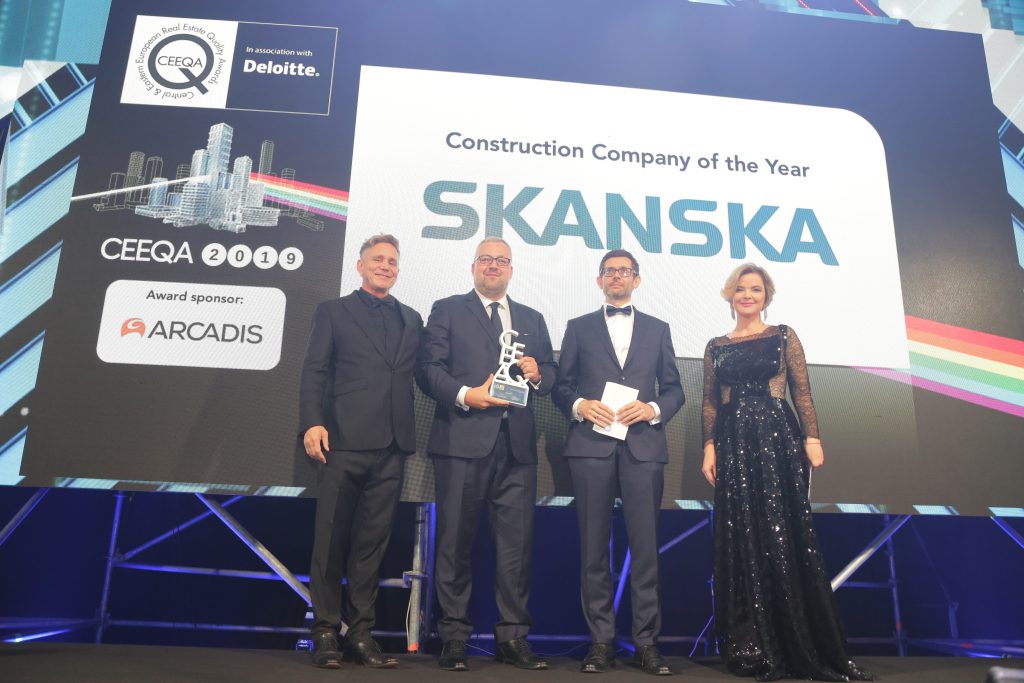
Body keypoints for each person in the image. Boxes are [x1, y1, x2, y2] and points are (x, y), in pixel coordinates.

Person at [701, 263, 875, 682]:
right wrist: (709, 446)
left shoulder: (783, 335)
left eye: (755, 289)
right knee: (743, 534)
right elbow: (710, 401)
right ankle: (755, 645)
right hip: (733, 442)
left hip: (777, 437)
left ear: (766, 296)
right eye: (741, 289)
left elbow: (802, 391)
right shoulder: (715, 346)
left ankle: (799, 641)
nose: (747, 295)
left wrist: (812, 437)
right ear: (730, 295)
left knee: (783, 533)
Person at [417, 236, 557, 671]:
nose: (493, 266)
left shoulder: (532, 318)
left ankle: (512, 638)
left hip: (516, 449)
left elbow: (551, 374)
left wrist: (539, 373)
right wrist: (466, 395)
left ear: (511, 269)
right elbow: (428, 369)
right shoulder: (447, 309)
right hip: (461, 442)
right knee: (454, 543)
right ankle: (454, 638)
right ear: (474, 266)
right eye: (486, 259)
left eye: (501, 260)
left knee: (516, 550)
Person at [552, 249, 684, 676]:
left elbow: (675, 390)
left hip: (643, 448)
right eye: (609, 271)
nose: (616, 277)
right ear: (599, 281)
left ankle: (646, 644)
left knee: (645, 551)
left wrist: (652, 409)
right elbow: (561, 386)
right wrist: (579, 406)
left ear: (636, 280)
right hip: (591, 448)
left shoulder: (659, 329)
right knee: (593, 550)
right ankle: (601, 643)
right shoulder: (578, 327)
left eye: (624, 271)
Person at [298, 234, 423, 669]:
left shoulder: (412, 318)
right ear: (360, 265)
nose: (386, 266)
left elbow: (426, 372)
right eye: (378, 259)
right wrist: (312, 422)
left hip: (392, 446)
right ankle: (325, 632)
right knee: (330, 540)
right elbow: (314, 369)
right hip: (343, 440)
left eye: (392, 261)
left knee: (372, 544)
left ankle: (361, 634)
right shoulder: (333, 311)